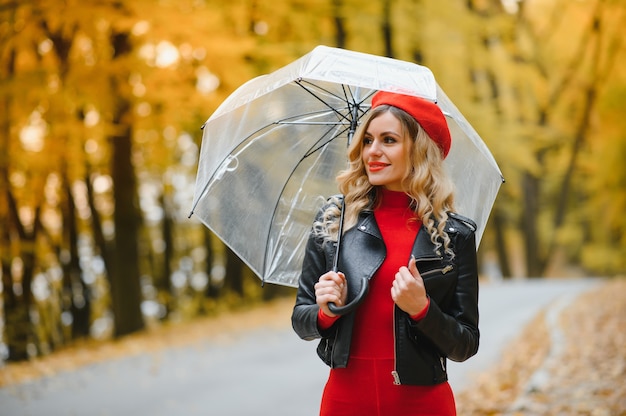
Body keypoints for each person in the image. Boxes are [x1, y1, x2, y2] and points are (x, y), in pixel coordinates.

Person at [291, 90, 480, 415]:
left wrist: (422, 309)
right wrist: (326, 311)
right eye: (367, 140)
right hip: (345, 402)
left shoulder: (453, 235)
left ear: (419, 151)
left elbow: (465, 343)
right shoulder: (334, 223)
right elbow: (301, 318)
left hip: (422, 405)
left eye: (388, 140)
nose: (373, 152)